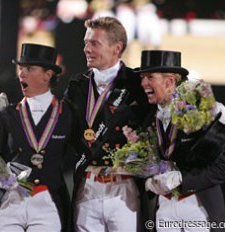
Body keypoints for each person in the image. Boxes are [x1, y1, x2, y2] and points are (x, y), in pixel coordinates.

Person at [63, 16, 152, 232]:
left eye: (94, 43)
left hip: (124, 187)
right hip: (87, 185)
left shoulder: (136, 84)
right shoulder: (77, 85)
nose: (86, 49)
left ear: (116, 48)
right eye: (86, 42)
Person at [135, 50, 225, 231]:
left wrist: (181, 179)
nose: (143, 83)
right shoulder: (148, 120)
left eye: (149, 77)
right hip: (163, 209)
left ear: (169, 81)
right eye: (142, 77)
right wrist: (149, 180)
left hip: (198, 207)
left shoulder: (199, 115)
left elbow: (223, 170)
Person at [0, 43, 73, 232]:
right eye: (20, 69)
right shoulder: (7, 114)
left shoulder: (67, 114)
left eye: (29, 69)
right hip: (11, 200)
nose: (21, 74)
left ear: (47, 75)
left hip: (47, 200)